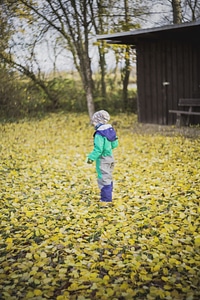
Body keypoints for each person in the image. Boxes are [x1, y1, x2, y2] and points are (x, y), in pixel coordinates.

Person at [87, 110, 118, 202]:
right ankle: (108, 195)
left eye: (94, 122)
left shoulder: (99, 134)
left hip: (103, 159)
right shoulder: (110, 130)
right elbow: (115, 144)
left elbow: (98, 149)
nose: (93, 124)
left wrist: (91, 158)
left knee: (104, 178)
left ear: (97, 122)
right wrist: (108, 147)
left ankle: (106, 200)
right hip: (110, 157)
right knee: (108, 176)